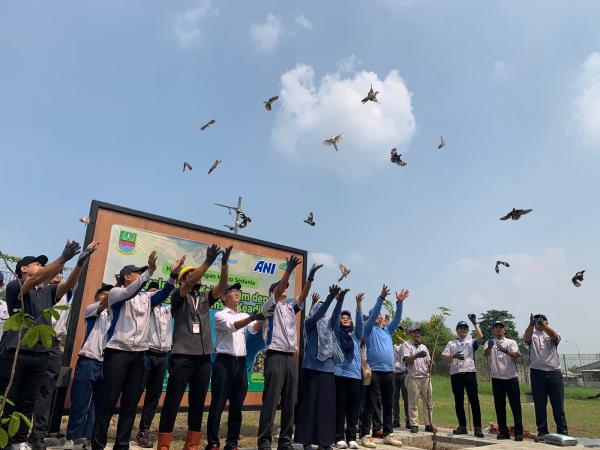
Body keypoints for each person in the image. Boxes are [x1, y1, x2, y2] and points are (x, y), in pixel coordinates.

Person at [91, 252, 182, 450]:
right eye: (136, 273)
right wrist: (149, 271)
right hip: (117, 353)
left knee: (130, 404)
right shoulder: (116, 293)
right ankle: (97, 444)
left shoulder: (146, 298)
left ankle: (122, 444)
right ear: (126, 277)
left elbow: (164, 293)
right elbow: (130, 292)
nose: (140, 275)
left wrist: (173, 275)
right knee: (109, 401)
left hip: (140, 356)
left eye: (141, 273)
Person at [0, 240, 82, 450]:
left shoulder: (45, 292)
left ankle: (19, 441)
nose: (41, 267)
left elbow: (66, 286)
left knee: (28, 400)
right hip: (16, 352)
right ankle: (5, 441)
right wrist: (63, 258)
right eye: (37, 263)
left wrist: (80, 264)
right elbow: (36, 278)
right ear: (23, 269)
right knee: (9, 399)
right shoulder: (15, 286)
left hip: (41, 353)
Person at [158, 245, 228, 450]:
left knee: (198, 404)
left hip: (204, 358)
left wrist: (223, 264)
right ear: (183, 280)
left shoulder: (206, 298)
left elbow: (222, 285)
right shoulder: (178, 296)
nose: (195, 279)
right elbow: (188, 282)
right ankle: (163, 445)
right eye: (189, 276)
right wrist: (207, 262)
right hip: (182, 357)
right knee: (172, 402)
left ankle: (192, 445)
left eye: (196, 276)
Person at [257, 258, 320, 450]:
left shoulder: (290, 308)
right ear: (273, 292)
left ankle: (285, 441)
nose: (285, 289)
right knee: (270, 400)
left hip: (290, 357)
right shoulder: (270, 305)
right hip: (275, 355)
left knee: (289, 401)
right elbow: (278, 289)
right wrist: (289, 271)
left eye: (285, 287)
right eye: (281, 287)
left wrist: (309, 278)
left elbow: (302, 297)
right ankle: (264, 441)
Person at [205, 283, 266, 450]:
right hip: (223, 363)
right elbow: (234, 326)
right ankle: (213, 442)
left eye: (237, 291)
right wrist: (251, 318)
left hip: (240, 364)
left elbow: (253, 330)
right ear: (223, 297)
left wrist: (261, 319)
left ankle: (232, 443)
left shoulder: (244, 314)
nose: (236, 293)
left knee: (237, 406)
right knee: (218, 404)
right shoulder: (220, 315)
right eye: (232, 291)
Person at [296, 285, 347, 450]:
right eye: (320, 306)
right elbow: (318, 313)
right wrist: (330, 298)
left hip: (327, 370)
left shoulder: (329, 326)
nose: (322, 309)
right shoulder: (309, 323)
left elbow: (336, 316)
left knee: (325, 407)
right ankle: (307, 441)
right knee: (309, 406)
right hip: (311, 369)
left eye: (323, 307)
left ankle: (324, 442)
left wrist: (340, 300)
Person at [359, 285, 408, 448]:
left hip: (389, 373)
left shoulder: (387, 331)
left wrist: (399, 303)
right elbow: (372, 316)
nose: (378, 316)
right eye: (375, 314)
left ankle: (388, 434)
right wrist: (380, 299)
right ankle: (365, 435)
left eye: (379, 314)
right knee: (370, 403)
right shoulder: (368, 329)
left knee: (389, 404)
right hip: (374, 372)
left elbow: (397, 319)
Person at [65, 283, 113, 446]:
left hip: (107, 363)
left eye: (111, 293)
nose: (108, 296)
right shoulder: (92, 309)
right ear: (97, 297)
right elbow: (104, 303)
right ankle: (71, 438)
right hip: (89, 360)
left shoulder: (117, 315)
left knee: (98, 405)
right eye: (105, 293)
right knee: (80, 402)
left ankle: (87, 437)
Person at [134, 281, 173, 448]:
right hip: (146, 355)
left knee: (153, 398)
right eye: (152, 291)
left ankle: (143, 431)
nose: (156, 294)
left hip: (163, 357)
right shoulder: (146, 309)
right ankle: (124, 428)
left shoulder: (168, 310)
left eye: (158, 291)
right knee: (134, 393)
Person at [523, 313, 568, 441]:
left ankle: (562, 430)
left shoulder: (551, 333)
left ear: (547, 322)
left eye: (543, 320)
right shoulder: (532, 334)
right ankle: (542, 431)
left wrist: (544, 326)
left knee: (558, 403)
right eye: (537, 320)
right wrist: (532, 324)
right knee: (539, 404)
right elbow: (526, 338)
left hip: (554, 372)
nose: (540, 322)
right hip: (537, 373)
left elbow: (556, 337)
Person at [441, 314, 484, 437]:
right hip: (456, 374)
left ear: (468, 330)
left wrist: (475, 323)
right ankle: (462, 426)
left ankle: (477, 427)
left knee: (474, 400)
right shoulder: (451, 343)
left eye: (465, 328)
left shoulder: (471, 342)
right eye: (461, 328)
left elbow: (481, 338)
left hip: (469, 373)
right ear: (457, 330)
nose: (463, 330)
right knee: (458, 401)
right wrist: (454, 356)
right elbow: (445, 358)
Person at [333, 293, 365, 450]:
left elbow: (361, 324)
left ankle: (352, 437)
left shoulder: (356, 335)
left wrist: (358, 306)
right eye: (343, 317)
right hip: (339, 374)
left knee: (353, 408)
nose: (345, 319)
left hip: (354, 376)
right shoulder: (336, 333)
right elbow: (334, 317)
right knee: (340, 406)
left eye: (348, 317)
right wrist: (340, 301)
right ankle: (338, 437)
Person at [483, 320, 523, 441]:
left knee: (515, 406)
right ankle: (503, 431)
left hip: (511, 378)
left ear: (504, 330)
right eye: (496, 327)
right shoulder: (490, 342)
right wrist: (489, 347)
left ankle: (518, 432)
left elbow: (516, 355)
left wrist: (505, 350)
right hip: (497, 379)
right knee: (500, 407)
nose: (499, 329)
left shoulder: (511, 342)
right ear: (493, 330)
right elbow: (486, 354)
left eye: (501, 327)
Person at [401, 326, 433, 434]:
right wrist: (416, 355)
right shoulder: (406, 345)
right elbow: (406, 359)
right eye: (414, 333)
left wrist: (430, 363)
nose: (416, 335)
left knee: (428, 402)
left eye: (418, 333)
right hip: (413, 377)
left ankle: (429, 424)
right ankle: (414, 424)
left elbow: (428, 361)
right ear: (410, 334)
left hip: (425, 377)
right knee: (413, 402)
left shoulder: (424, 346)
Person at [392, 342, 409, 430]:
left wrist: (404, 342)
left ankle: (408, 420)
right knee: (394, 399)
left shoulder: (406, 345)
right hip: (394, 374)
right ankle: (396, 420)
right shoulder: (390, 344)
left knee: (406, 398)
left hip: (403, 373)